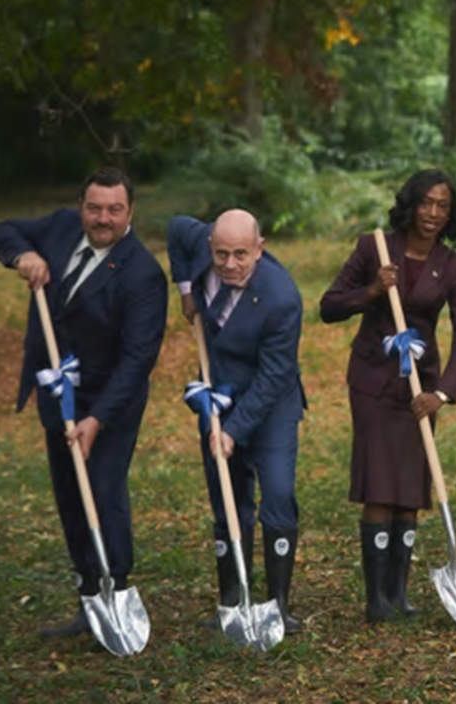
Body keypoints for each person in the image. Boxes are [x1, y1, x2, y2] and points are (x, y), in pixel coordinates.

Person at [0, 168, 168, 638]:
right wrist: (22, 255)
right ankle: (88, 600)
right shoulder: (59, 228)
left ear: (131, 212)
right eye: (94, 208)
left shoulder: (143, 274)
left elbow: (137, 361)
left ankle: (117, 590)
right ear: (80, 206)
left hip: (110, 399)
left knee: (103, 491)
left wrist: (96, 418)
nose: (103, 218)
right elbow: (4, 230)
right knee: (70, 497)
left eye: (115, 209)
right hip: (59, 391)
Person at [319, 170, 456, 623]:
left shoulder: (453, 266)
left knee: (410, 490)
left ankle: (398, 592)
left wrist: (442, 393)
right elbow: (329, 306)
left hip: (420, 389)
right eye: (426, 203)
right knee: (380, 486)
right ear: (411, 204)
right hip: (374, 381)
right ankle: (376, 599)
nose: (433, 214)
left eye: (442, 206)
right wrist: (372, 290)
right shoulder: (375, 248)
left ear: (451, 214)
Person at [167, 208, 306, 632]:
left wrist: (233, 430)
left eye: (240, 255)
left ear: (259, 249)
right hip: (218, 391)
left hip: (272, 402)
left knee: (278, 494)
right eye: (221, 254)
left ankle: (277, 606)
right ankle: (231, 601)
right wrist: (187, 288)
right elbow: (175, 229)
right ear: (211, 245)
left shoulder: (282, 298)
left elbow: (273, 375)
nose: (229, 264)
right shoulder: (199, 241)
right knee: (227, 499)